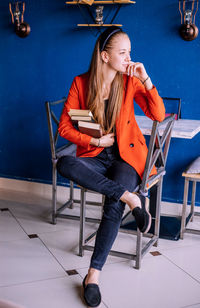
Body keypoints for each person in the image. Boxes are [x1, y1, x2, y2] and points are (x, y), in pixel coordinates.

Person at [57, 26, 165, 307]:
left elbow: (158, 114)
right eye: (123, 52)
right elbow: (65, 127)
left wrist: (146, 78)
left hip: (127, 159)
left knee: (112, 204)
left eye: (130, 52)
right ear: (105, 56)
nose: (130, 58)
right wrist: (97, 140)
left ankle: (92, 275)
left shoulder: (130, 81)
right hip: (96, 154)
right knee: (65, 163)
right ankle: (131, 197)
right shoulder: (81, 83)